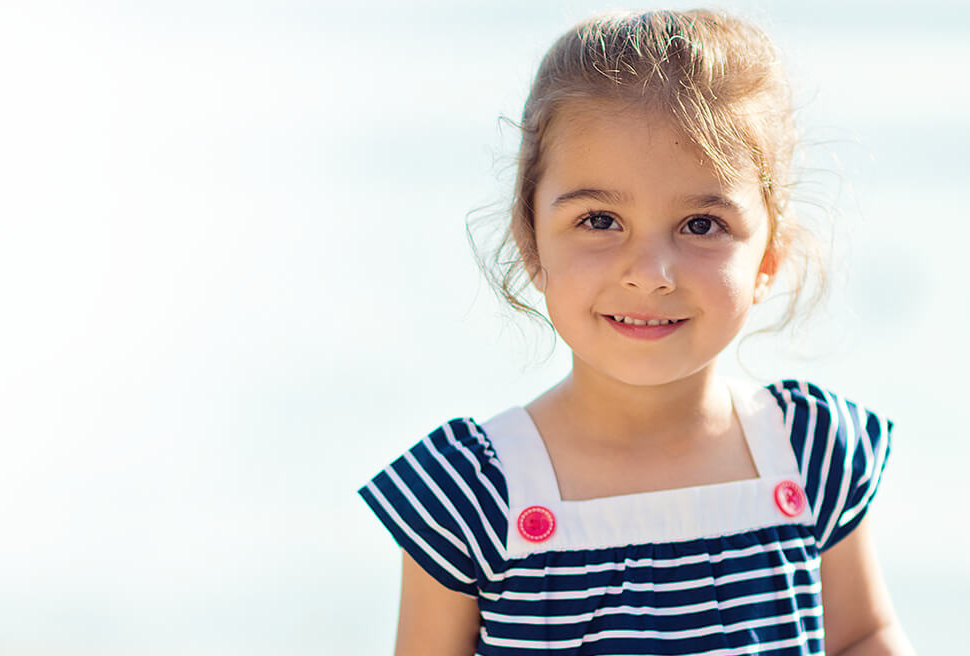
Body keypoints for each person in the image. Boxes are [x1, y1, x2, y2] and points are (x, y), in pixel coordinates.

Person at [355, 8, 912, 656]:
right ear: (531, 241)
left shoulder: (809, 452)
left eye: (701, 225)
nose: (649, 275)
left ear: (768, 258)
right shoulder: (472, 493)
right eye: (599, 220)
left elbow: (862, 636)